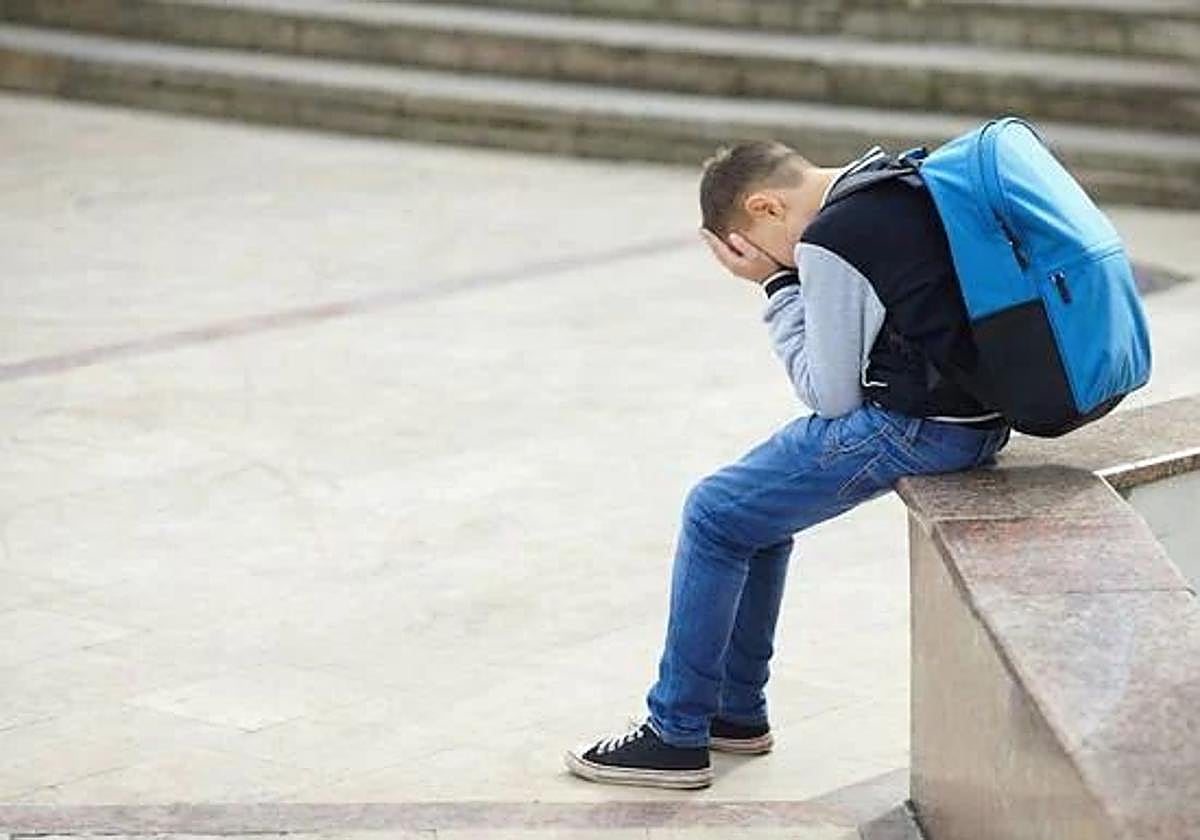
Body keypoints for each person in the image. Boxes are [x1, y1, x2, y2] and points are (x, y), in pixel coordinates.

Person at [563, 140, 1012, 790]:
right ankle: (735, 714)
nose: (783, 262)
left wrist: (776, 285)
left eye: (759, 248)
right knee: (750, 516)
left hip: (918, 428)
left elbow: (828, 394)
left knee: (714, 513)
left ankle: (675, 735)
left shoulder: (832, 237)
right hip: (972, 419)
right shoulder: (887, 181)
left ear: (766, 206)